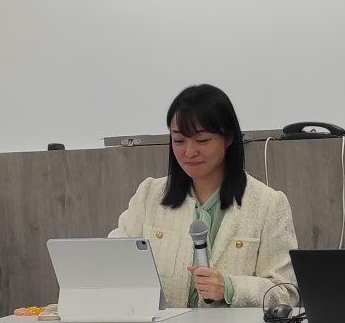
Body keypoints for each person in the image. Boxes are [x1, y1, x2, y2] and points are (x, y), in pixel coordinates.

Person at [111, 84, 298, 308]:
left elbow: (286, 293)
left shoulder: (268, 204)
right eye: (179, 140)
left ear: (228, 138)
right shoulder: (149, 195)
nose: (189, 152)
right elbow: (113, 261)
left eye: (202, 141)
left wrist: (230, 288)